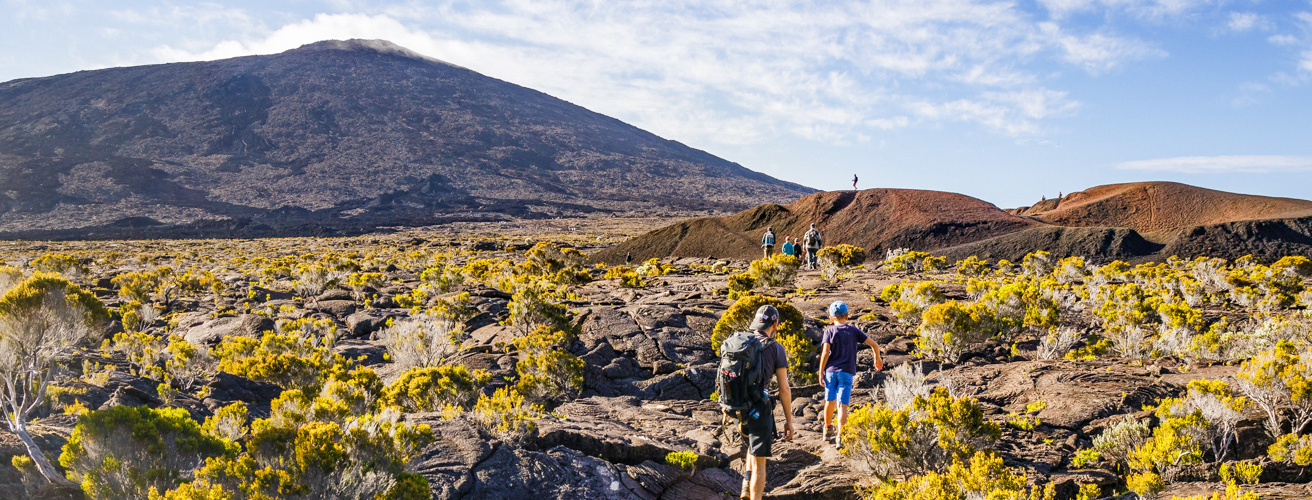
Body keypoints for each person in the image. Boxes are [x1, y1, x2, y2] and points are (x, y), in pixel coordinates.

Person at [738, 305, 793, 500]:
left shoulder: (741, 341)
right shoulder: (776, 348)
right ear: (775, 323)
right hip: (759, 408)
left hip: (738, 407)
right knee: (760, 462)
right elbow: (784, 388)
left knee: (751, 445)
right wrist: (789, 420)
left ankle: (745, 484)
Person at [817, 301, 884, 448]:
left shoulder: (828, 332)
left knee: (829, 401)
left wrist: (820, 371)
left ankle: (827, 429)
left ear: (830, 318)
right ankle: (841, 436)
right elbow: (874, 344)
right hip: (846, 373)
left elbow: (825, 352)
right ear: (847, 316)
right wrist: (876, 358)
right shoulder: (853, 331)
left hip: (830, 372)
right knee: (842, 405)